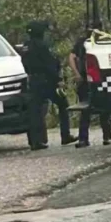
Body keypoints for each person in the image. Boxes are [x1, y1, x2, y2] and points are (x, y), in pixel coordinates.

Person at [21, 21, 76, 150]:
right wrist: (58, 79)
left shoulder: (26, 46)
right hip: (47, 81)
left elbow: (24, 64)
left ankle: (35, 142)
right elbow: (50, 64)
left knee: (35, 111)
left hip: (33, 81)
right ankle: (65, 135)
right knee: (63, 104)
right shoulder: (42, 46)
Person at [69, 33, 111, 148]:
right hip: (94, 78)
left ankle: (88, 138)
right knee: (98, 108)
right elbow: (72, 57)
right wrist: (77, 74)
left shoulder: (86, 41)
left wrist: (76, 74)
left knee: (91, 109)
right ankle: (104, 137)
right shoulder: (100, 40)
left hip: (92, 78)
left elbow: (71, 57)